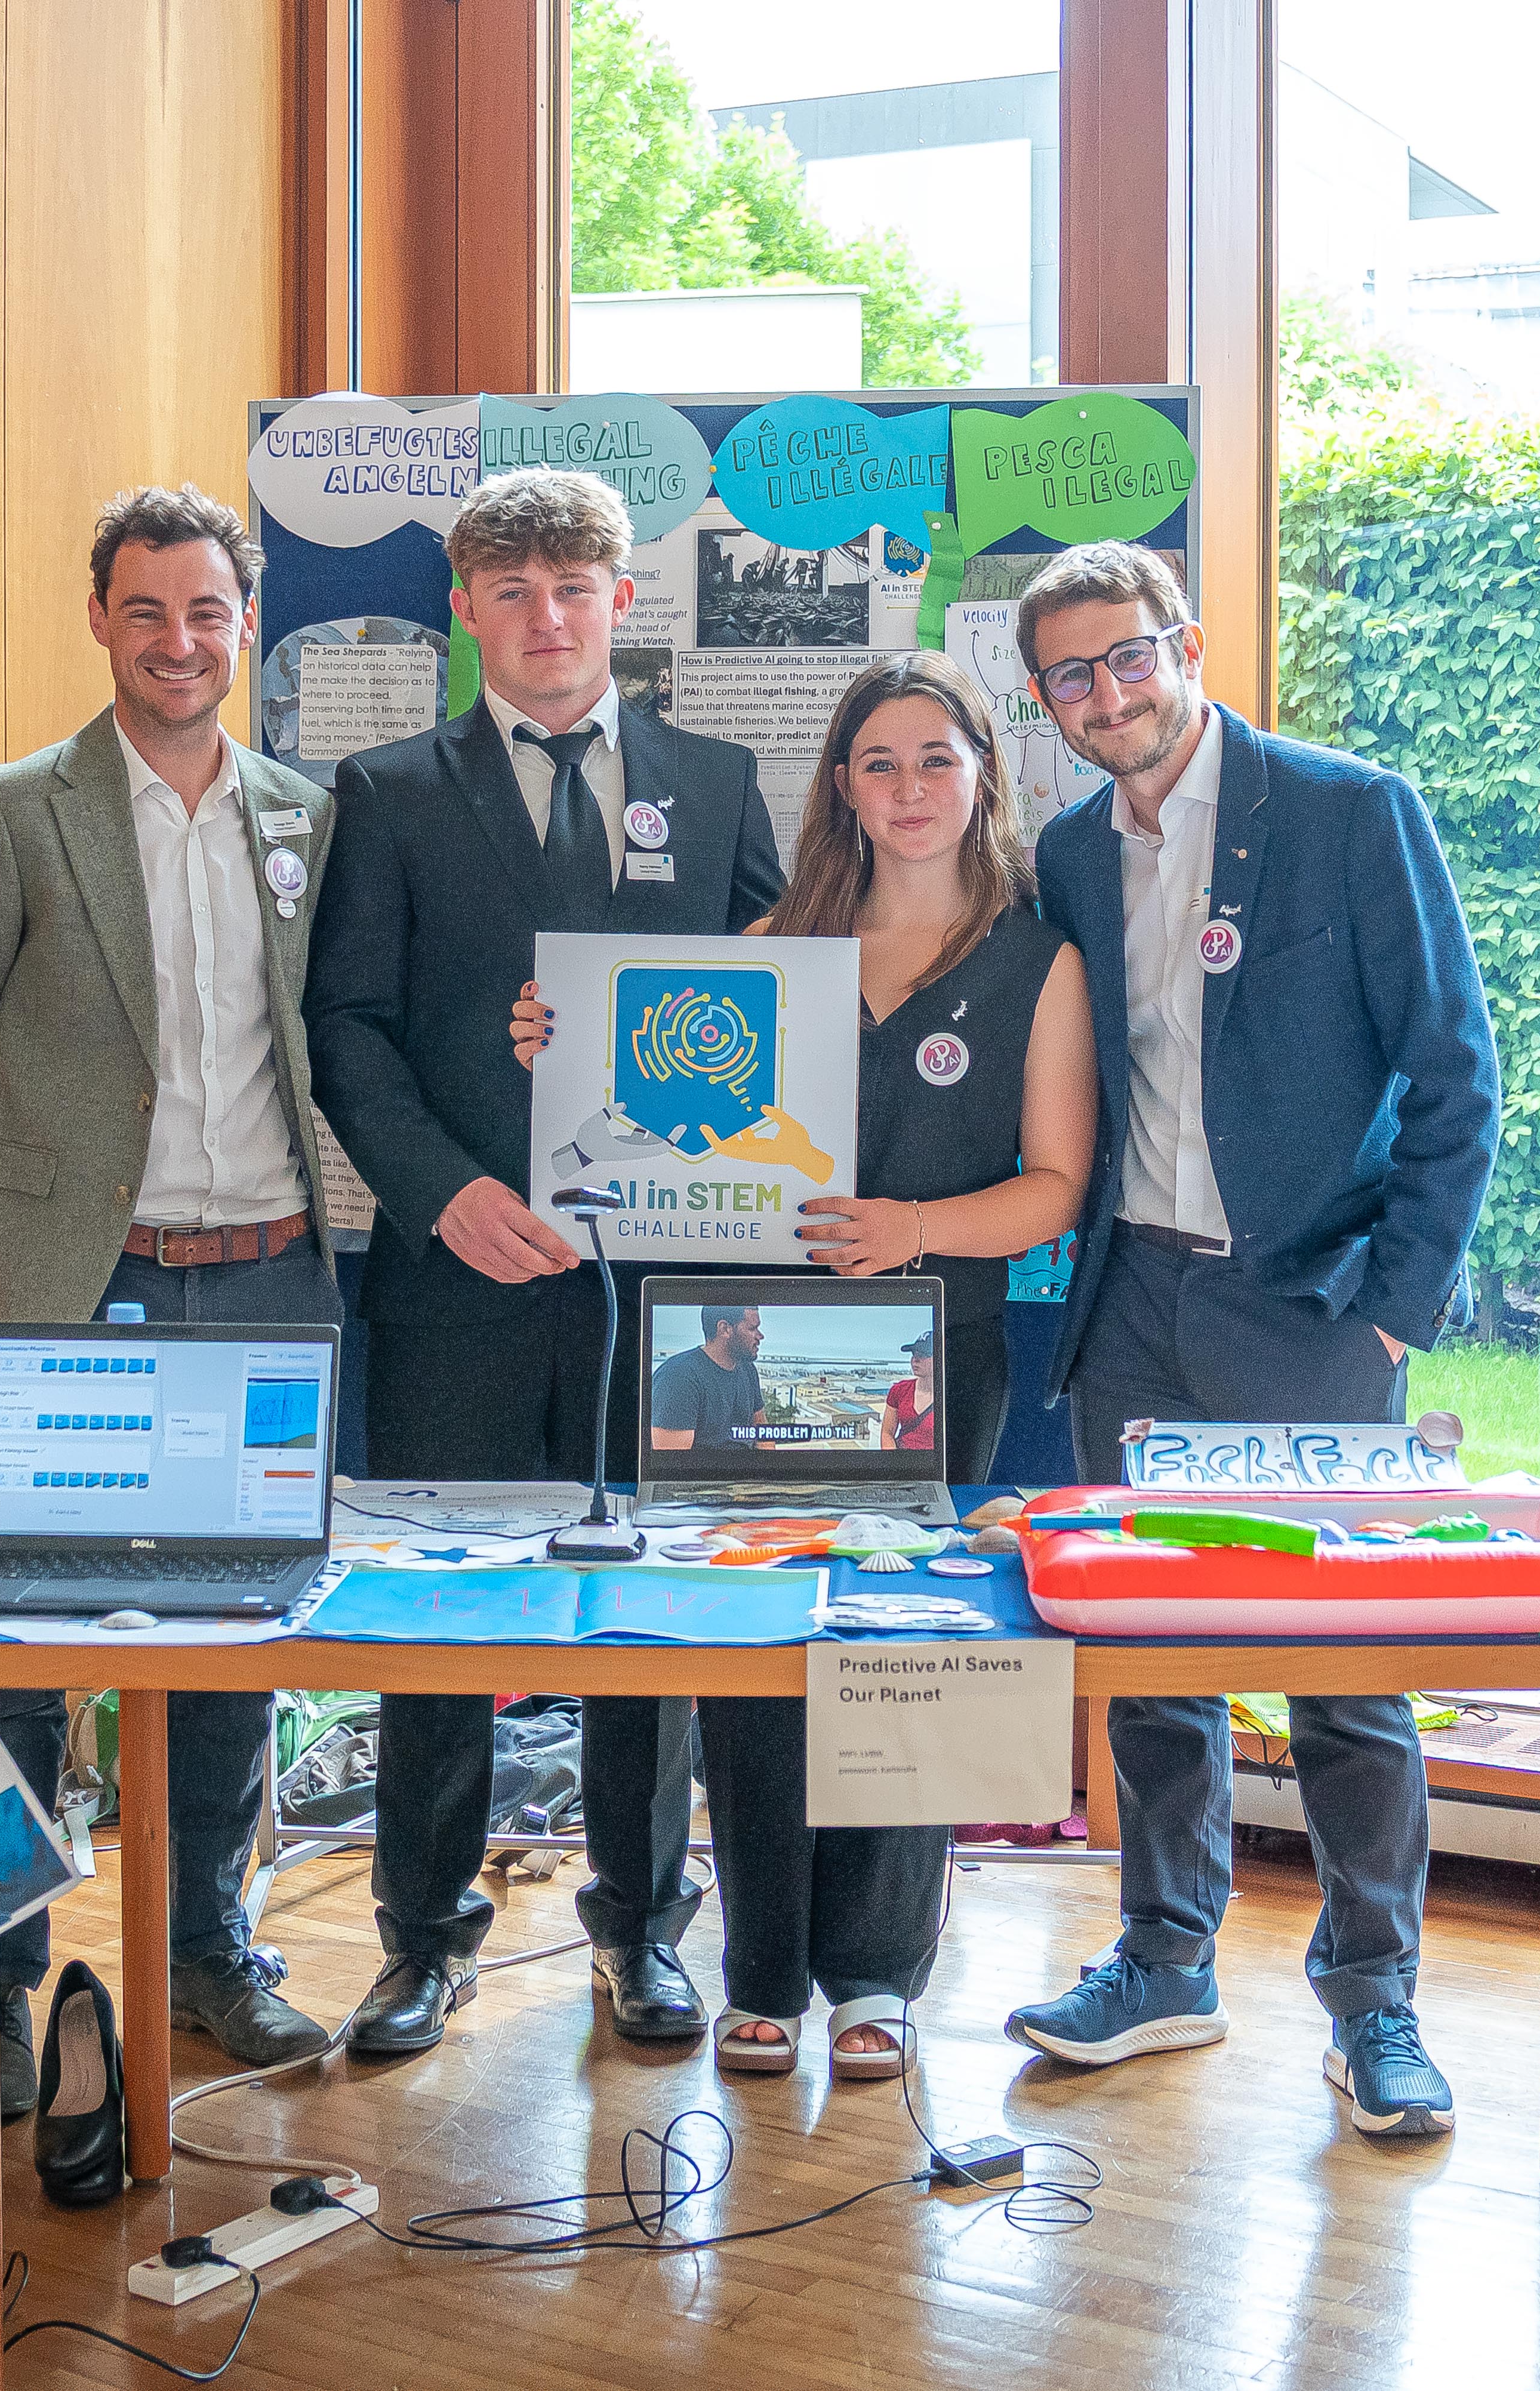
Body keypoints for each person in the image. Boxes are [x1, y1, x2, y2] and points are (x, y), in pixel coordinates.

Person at [515, 648, 1094, 2080]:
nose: (909, 787)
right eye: (879, 762)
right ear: (841, 785)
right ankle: (762, 1967)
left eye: (937, 759)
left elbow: (1054, 1187)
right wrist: (559, 1044)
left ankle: (878, 1973)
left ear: (983, 777)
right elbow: (653, 1106)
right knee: (759, 1655)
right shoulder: (775, 943)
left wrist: (914, 1230)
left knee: (902, 1647)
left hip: (931, 1353)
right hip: (757, 1348)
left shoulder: (1038, 959)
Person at [996, 541, 1500, 2138]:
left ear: (1186, 645)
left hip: (1311, 1309)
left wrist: (1396, 1310)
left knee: (1344, 1674)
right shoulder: (1068, 854)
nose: (1104, 695)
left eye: (1125, 657)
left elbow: (1453, 1074)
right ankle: (1163, 1960)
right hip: (1132, 1307)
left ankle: (1374, 2001)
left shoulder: (1346, 811)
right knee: (1155, 1662)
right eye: (1068, 677)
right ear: (1044, 700)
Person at [306, 467, 783, 2057]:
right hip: (456, 1274)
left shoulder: (715, 782)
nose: (546, 616)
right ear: (467, 610)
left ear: (620, 601)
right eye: (510, 590)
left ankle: (641, 1926)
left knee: (647, 1609)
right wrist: (443, 1193)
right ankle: (423, 1934)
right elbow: (347, 1028)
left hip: (662, 1282)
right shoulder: (386, 789)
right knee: (438, 1617)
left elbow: (778, 1006)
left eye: (573, 587)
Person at [0, 484, 341, 2119]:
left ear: (244, 623)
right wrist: (31, 1236)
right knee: (13, 1653)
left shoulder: (307, 816)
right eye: (145, 610)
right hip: (81, 1298)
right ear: (98, 618)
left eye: (207, 611)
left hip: (266, 1284)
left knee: (233, 1650)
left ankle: (208, 1953)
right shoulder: (10, 810)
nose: (177, 642)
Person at [651, 1304, 765, 1450]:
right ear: (725, 1329)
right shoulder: (678, 1378)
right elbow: (672, 1460)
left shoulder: (747, 1370)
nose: (760, 1336)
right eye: (752, 1328)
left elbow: (762, 1432)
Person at [882, 1331, 937, 1450]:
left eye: (924, 1355)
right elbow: (887, 1433)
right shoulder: (899, 1390)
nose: (915, 1360)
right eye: (914, 1354)